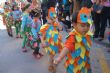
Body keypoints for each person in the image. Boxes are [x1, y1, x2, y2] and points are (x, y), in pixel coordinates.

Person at [54, 7, 93, 73]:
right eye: (83, 26)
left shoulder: (87, 34)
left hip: (84, 62)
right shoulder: (73, 36)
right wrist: (60, 58)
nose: (86, 28)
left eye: (88, 25)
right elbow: (67, 47)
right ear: (75, 25)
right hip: (74, 65)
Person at [40, 7, 63, 73]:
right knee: (51, 55)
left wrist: (57, 21)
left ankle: (51, 62)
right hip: (49, 44)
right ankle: (51, 65)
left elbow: (61, 28)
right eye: (51, 18)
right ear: (46, 18)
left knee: (53, 54)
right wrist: (43, 41)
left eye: (53, 18)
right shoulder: (44, 27)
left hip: (56, 43)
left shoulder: (55, 24)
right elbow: (41, 35)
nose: (52, 20)